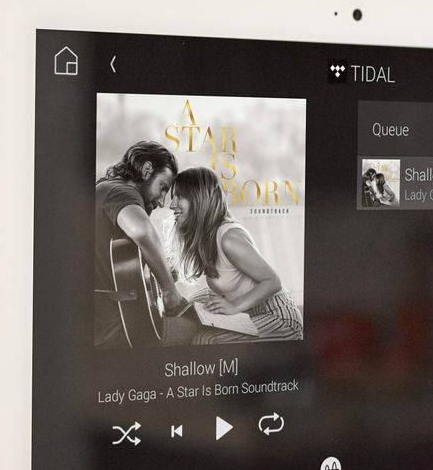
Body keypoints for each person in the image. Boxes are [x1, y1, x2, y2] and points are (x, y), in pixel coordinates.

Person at [169, 166, 304, 341]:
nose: (172, 204)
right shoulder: (207, 235)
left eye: (179, 197)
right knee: (189, 307)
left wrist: (233, 306)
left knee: (207, 340)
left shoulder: (229, 238)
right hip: (247, 311)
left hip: (278, 317)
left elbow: (273, 281)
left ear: (199, 198)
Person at [95, 141, 183, 348]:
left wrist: (158, 270)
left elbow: (122, 264)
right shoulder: (121, 192)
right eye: (162, 187)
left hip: (107, 326)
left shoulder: (104, 190)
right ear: (146, 170)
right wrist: (169, 289)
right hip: (115, 331)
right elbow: (142, 231)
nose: (162, 201)